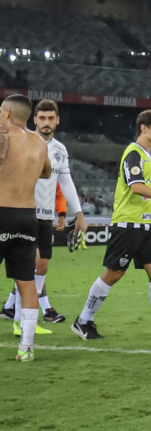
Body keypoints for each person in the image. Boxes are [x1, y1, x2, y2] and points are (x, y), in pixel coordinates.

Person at [71, 109, 151, 340]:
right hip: (128, 225)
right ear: (143, 128)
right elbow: (136, 187)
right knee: (113, 274)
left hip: (148, 226)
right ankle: (83, 320)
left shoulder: (149, 155)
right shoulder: (133, 153)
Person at [2, 99, 87, 327]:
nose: (46, 122)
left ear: (57, 120)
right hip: (22, 212)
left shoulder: (60, 150)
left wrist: (77, 213)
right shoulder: (24, 141)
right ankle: (21, 319)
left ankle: (22, 318)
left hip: (45, 216)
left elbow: (65, 182)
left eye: (51, 118)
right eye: (42, 118)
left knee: (42, 266)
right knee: (29, 266)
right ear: (34, 119)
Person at [0, 94, 52, 361]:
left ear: (7, 114)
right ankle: (27, 348)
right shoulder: (40, 142)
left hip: (1, 212)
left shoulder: (3, 135)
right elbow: (46, 172)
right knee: (26, 283)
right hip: (27, 217)